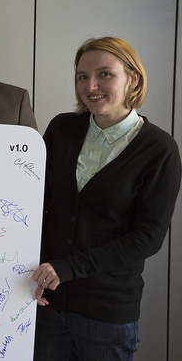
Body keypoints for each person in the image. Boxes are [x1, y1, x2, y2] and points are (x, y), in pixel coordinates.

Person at [32, 37, 181, 360]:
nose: (91, 86)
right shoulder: (62, 129)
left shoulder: (159, 149)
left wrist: (68, 268)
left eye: (105, 74)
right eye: (82, 76)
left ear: (133, 78)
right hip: (47, 304)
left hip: (107, 313)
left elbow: (147, 238)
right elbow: (35, 203)